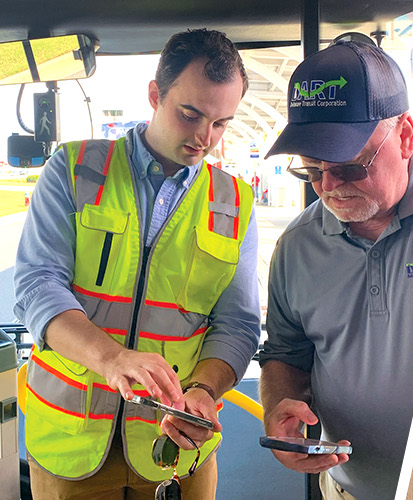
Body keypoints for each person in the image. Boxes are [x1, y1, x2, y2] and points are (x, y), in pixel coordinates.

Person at [14, 28, 258, 498]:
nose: (205, 138)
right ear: (154, 94)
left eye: (222, 122)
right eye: (191, 115)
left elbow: (237, 325)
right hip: (71, 446)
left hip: (176, 453)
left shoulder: (235, 202)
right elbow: (37, 286)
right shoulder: (74, 169)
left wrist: (204, 392)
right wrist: (112, 359)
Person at [258, 40, 413, 500]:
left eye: (348, 167)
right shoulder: (296, 248)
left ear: (405, 136)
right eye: (311, 171)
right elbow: (286, 354)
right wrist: (277, 414)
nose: (328, 188)